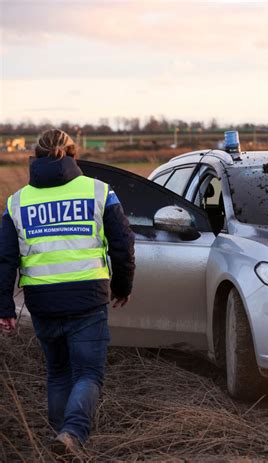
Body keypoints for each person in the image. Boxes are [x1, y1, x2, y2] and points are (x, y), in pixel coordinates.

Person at [0, 129, 135, 454]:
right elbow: (123, 243)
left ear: (36, 155)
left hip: (43, 302)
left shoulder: (16, 201)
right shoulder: (99, 191)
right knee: (88, 373)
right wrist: (122, 286)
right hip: (88, 299)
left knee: (58, 373)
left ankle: (57, 439)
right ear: (73, 154)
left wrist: (4, 306)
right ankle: (72, 434)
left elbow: (4, 258)